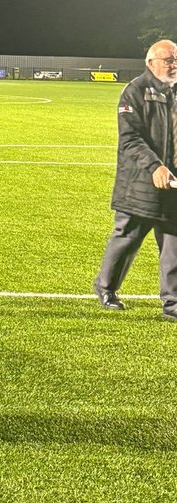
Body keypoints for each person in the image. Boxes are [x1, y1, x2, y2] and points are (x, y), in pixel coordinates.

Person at [93, 38, 177, 320]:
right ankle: (106, 288)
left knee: (174, 244)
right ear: (151, 62)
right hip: (140, 184)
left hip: (173, 186)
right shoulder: (135, 91)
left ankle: (172, 303)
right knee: (127, 238)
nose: (175, 65)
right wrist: (155, 166)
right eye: (169, 60)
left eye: (176, 60)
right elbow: (130, 139)